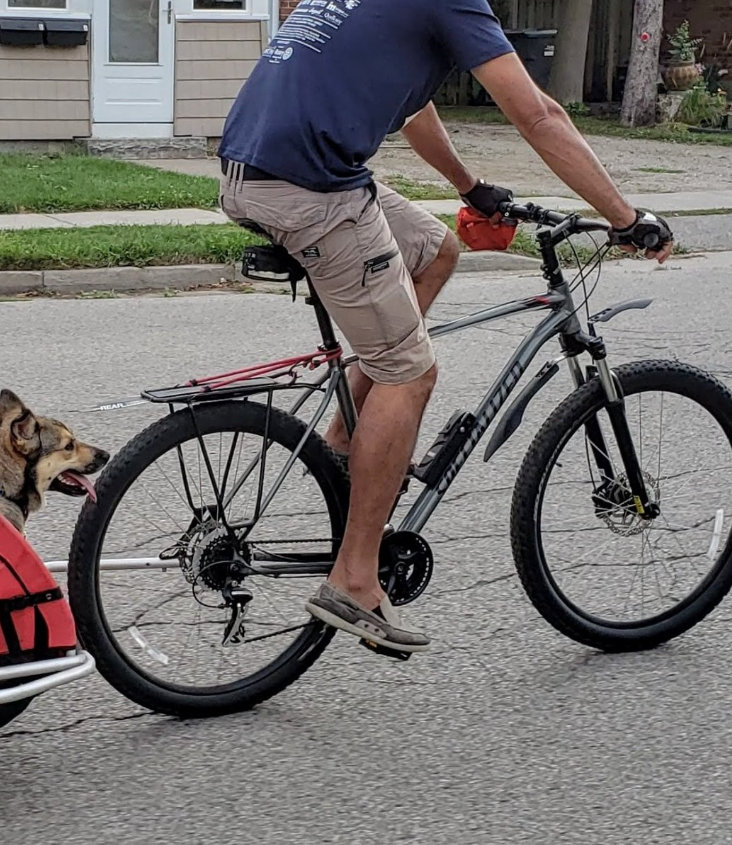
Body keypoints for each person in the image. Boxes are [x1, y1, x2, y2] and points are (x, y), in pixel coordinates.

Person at [216, 0, 674, 655]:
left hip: (260, 171)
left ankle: (345, 445)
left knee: (434, 250)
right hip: (309, 191)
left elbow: (406, 102)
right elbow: (539, 114)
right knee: (411, 371)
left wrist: (469, 184)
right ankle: (352, 580)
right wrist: (625, 218)